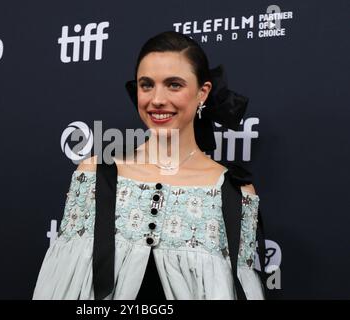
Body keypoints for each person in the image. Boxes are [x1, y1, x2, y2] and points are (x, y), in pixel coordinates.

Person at [32, 31, 266, 300]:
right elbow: (62, 285)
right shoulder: (96, 174)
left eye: (174, 85)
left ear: (203, 92)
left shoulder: (235, 193)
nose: (156, 99)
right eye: (146, 85)